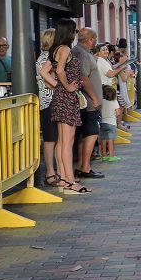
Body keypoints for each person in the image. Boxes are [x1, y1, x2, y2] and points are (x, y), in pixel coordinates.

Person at [50, 19, 89, 195]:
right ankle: (70, 181)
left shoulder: (55, 50)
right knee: (68, 142)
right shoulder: (65, 49)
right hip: (67, 98)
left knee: (62, 141)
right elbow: (59, 71)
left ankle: (63, 178)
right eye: (74, 31)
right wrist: (67, 86)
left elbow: (45, 71)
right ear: (69, 32)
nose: (75, 35)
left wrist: (56, 85)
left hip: (61, 98)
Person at [72, 29, 104, 180]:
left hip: (88, 102)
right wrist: (95, 97)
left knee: (85, 135)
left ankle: (81, 166)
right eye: (95, 38)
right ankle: (85, 167)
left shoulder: (82, 51)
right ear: (90, 39)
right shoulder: (82, 53)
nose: (96, 40)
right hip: (88, 103)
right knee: (92, 133)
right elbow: (83, 78)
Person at [35, 28, 60, 187]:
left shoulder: (47, 57)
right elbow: (48, 82)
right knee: (51, 139)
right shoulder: (46, 58)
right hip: (49, 102)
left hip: (51, 102)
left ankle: (56, 172)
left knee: (55, 139)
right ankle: (50, 173)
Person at [99, 86, 121, 162]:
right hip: (111, 123)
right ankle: (111, 156)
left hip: (102, 123)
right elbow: (118, 113)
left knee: (103, 140)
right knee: (110, 140)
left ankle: (104, 156)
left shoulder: (102, 101)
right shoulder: (115, 102)